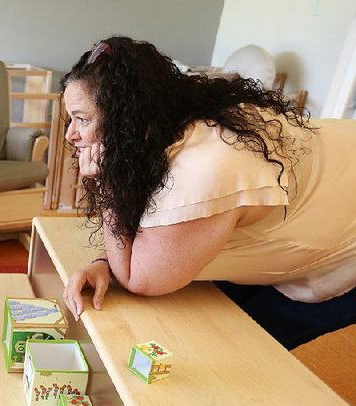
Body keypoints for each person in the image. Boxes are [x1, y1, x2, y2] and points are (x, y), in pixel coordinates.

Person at [61, 36, 356, 350]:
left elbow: (139, 279)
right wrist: (104, 263)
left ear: (128, 119)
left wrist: (109, 182)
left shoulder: (206, 166)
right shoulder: (166, 127)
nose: (70, 134)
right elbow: (153, 230)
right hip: (327, 187)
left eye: (82, 119)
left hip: (342, 238)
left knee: (240, 350)